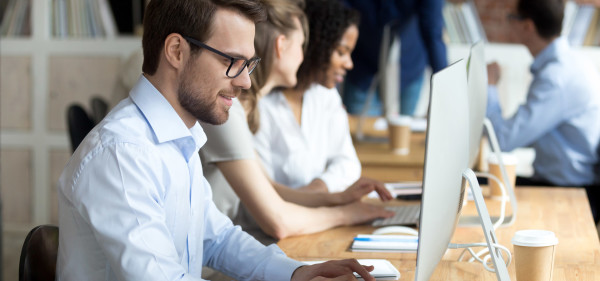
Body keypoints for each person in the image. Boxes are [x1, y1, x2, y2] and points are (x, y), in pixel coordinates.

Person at [56, 0, 379, 280]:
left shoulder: (182, 137)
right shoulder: (122, 154)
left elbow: (216, 239)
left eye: (249, 64)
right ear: (176, 51)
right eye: (231, 62)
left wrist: (296, 272)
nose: (244, 82)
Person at [199, 0, 393, 246]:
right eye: (302, 45)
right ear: (281, 46)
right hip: (213, 259)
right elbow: (278, 220)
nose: (304, 55)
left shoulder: (245, 108)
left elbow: (271, 190)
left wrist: (339, 198)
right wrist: (346, 214)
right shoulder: (229, 110)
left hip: (226, 248)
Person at [486, 0, 600, 219]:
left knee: (476, 189)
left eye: (512, 18)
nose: (508, 24)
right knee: (480, 184)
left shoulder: (555, 78)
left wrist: (490, 87)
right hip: (565, 184)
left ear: (528, 26)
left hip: (569, 193)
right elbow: (529, 134)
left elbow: (501, 141)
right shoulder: (570, 63)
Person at [253, 0, 369, 195]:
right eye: (341, 52)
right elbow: (263, 192)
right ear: (315, 47)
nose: (349, 64)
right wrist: (315, 199)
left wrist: (317, 190)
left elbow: (348, 163)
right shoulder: (261, 105)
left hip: (311, 211)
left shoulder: (325, 96)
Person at [341, 0, 447, 117]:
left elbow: (434, 34)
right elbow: (339, 18)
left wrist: (444, 90)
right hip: (363, 67)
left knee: (403, 130)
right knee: (359, 130)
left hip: (408, 67)